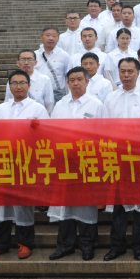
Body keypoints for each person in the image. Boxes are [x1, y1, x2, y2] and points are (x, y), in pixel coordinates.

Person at [0, 70, 49, 260]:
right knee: (1, 204)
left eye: (22, 83)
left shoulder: (38, 109)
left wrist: (39, 127)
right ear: (9, 86)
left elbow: (48, 134)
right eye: (14, 83)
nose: (18, 86)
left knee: (23, 204)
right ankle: (0, 244)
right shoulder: (0, 109)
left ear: (29, 86)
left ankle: (25, 244)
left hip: (26, 162)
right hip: (3, 161)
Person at [102, 57, 140, 261]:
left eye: (130, 71)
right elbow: (106, 128)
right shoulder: (111, 98)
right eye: (123, 71)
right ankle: (117, 246)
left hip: (139, 157)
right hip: (117, 157)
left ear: (138, 73)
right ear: (118, 73)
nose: (126, 75)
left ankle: (139, 246)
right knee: (118, 204)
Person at [48, 67, 103, 261]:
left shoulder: (96, 105)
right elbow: (52, 132)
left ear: (87, 82)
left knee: (86, 204)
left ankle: (88, 245)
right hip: (64, 162)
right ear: (67, 83)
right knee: (65, 204)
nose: (76, 83)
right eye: (72, 80)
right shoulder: (60, 105)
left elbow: (103, 134)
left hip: (87, 161)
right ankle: (65, 245)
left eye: (80, 79)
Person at [4, 50, 55, 114]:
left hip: (37, 116)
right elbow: (8, 101)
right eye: (22, 59)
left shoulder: (44, 80)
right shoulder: (12, 80)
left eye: (30, 59)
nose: (26, 63)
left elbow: (49, 104)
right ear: (17, 63)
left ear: (35, 62)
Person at [36, 26, 72, 103]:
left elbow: (69, 77)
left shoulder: (64, 56)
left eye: (54, 36)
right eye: (47, 35)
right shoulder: (34, 55)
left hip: (58, 95)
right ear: (41, 37)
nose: (51, 38)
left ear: (58, 38)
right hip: (38, 93)